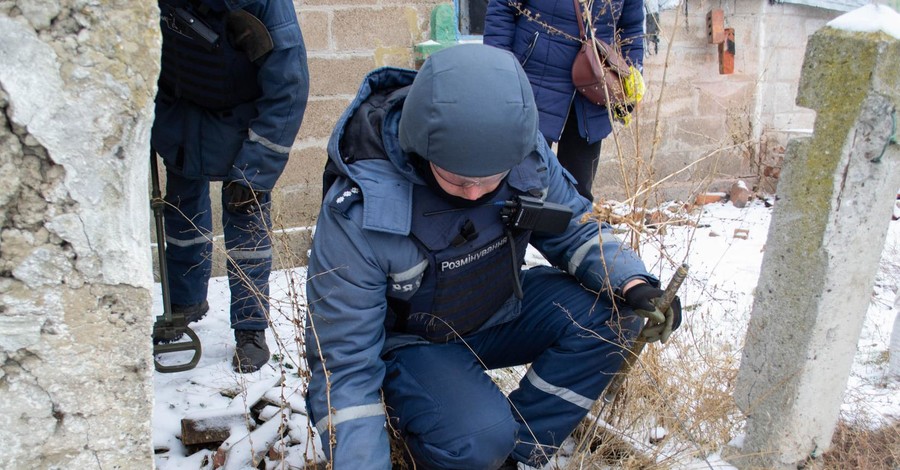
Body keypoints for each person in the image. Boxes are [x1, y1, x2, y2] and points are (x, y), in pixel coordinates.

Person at [304, 44, 679, 469]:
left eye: (490, 180)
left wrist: (632, 282)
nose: (476, 193)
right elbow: (345, 369)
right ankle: (469, 443)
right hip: (412, 343)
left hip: (496, 310)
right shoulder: (362, 210)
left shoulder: (521, 154)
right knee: (480, 438)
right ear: (420, 147)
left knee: (616, 314)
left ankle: (515, 454)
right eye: (459, 180)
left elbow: (575, 224)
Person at [151, 0, 309, 373]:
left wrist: (255, 170)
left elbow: (289, 85)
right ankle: (184, 304)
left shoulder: (266, 5)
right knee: (180, 218)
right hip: (182, 116)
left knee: (247, 227)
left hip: (243, 122)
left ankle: (250, 330)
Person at [483, 0, 645, 202]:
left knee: (578, 195)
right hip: (534, 84)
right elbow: (502, 8)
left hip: (592, 92)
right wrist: (500, 69)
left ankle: (573, 231)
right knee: (524, 189)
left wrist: (629, 75)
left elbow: (632, 27)